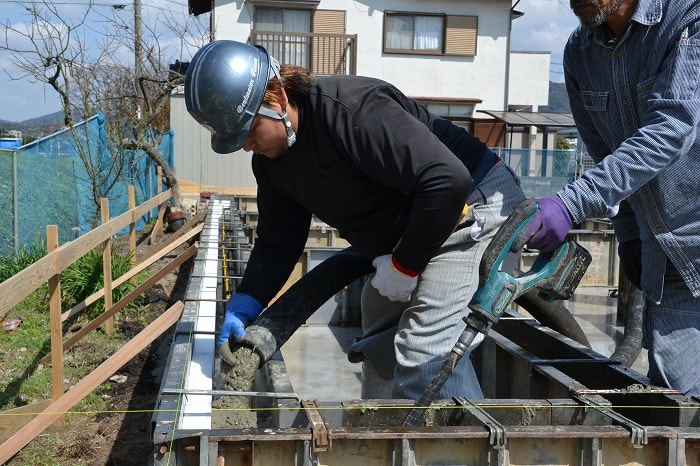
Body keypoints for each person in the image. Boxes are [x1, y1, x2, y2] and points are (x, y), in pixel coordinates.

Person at [184, 39, 526, 400]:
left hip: (475, 202)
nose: (246, 146)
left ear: (278, 100)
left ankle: (460, 450)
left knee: (426, 350)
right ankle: (381, 441)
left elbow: (446, 181)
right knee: (379, 338)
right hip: (418, 221)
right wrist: (247, 301)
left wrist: (406, 267)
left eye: (249, 132)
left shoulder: (351, 110)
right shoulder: (272, 164)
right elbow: (278, 240)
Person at [524, 0, 700, 397]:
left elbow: (672, 128)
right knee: (679, 403)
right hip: (670, 254)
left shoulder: (687, 17)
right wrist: (629, 235)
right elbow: (605, 150)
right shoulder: (579, 53)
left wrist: (572, 203)